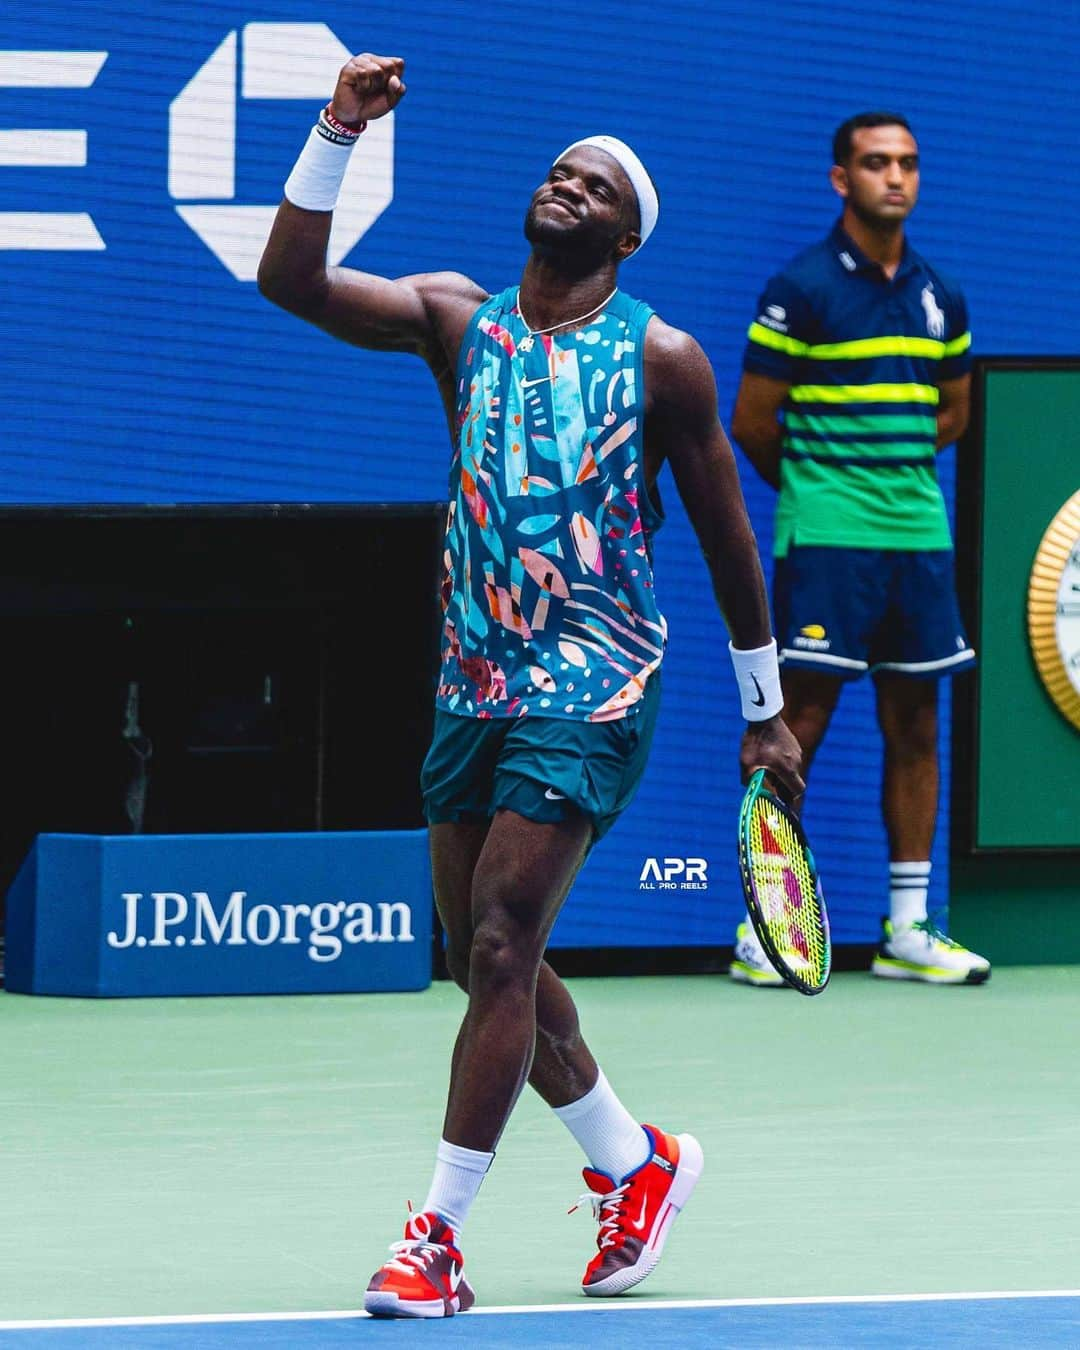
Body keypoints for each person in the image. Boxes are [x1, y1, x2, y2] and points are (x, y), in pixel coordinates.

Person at [259, 52, 803, 1318]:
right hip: (475, 675)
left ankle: (435, 1239)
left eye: (594, 183)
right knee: (483, 956)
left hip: (597, 680)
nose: (567, 184)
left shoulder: (663, 359)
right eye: (558, 170)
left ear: (624, 230)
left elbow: (727, 534)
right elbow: (290, 281)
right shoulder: (458, 319)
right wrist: (339, 126)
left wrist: (765, 706)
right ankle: (635, 1159)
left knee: (503, 938)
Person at [727, 111, 989, 988]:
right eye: (876, 164)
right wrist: (825, 485)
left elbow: (951, 412)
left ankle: (908, 931)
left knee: (916, 722)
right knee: (797, 725)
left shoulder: (939, 293)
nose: (896, 178)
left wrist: (890, 473)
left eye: (908, 164)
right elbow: (753, 423)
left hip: (917, 536)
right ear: (842, 178)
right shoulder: (799, 287)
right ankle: (765, 929)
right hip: (828, 535)